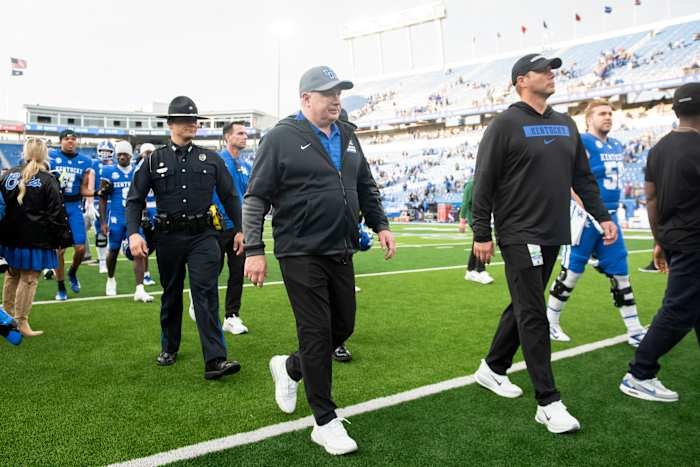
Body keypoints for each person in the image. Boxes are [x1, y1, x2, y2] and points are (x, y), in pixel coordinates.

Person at [243, 66, 396, 456]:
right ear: (305, 98)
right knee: (315, 332)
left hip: (340, 247)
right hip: (300, 250)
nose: (336, 99)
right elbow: (256, 197)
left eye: (339, 92)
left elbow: (365, 184)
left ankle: (290, 368)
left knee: (342, 326)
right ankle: (325, 422)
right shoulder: (280, 137)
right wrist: (255, 250)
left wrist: (380, 224)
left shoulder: (347, 134)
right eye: (328, 93)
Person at [470, 54, 616, 434]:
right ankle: (548, 402)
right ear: (522, 80)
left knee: (525, 303)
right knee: (534, 312)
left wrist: (602, 217)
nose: (551, 74)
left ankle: (493, 367)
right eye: (543, 70)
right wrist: (481, 232)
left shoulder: (565, 123)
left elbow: (582, 179)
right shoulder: (504, 125)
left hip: (554, 231)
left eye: (553, 70)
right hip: (519, 232)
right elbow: (484, 180)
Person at [126, 96, 244, 380]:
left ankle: (215, 360)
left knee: (205, 293)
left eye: (194, 120)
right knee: (171, 294)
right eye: (185, 119)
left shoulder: (211, 159)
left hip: (204, 236)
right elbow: (134, 199)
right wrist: (133, 233)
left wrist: (241, 229)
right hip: (168, 237)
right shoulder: (153, 160)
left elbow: (230, 196)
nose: (192, 124)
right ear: (171, 124)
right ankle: (169, 346)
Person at [619, 83, 700, 402]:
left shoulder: (658, 149)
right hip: (694, 240)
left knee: (694, 305)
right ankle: (640, 373)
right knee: (678, 309)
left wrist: (659, 240)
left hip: (675, 237)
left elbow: (650, 199)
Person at [546, 100, 646, 347]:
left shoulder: (616, 144)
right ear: (589, 119)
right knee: (571, 273)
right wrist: (575, 199)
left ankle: (634, 329)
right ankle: (550, 322)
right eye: (602, 113)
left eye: (610, 113)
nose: (608, 117)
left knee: (621, 274)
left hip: (611, 217)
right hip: (587, 219)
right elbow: (561, 173)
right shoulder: (581, 141)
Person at [0, 138, 69, 336]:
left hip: (9, 238)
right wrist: (61, 239)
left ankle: (7, 318)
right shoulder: (48, 179)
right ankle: (21, 322)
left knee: (12, 275)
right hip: (36, 239)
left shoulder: (8, 175)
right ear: (44, 154)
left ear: (25, 152)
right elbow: (56, 213)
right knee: (29, 278)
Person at [188, 121, 251, 335]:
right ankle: (197, 298)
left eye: (245, 133)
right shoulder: (215, 161)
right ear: (227, 137)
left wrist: (244, 226)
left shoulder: (246, 165)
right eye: (240, 133)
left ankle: (231, 316)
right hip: (216, 226)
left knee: (237, 272)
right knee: (212, 270)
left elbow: (246, 195)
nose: (244, 137)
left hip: (238, 227)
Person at [100, 141, 153, 303]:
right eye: (119, 154)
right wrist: (103, 222)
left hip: (134, 217)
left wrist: (144, 214)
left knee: (139, 251)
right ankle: (110, 279)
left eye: (125, 154)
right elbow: (103, 198)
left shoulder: (137, 171)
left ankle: (139, 288)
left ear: (130, 155)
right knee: (114, 250)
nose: (122, 157)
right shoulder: (109, 171)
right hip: (116, 216)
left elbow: (143, 196)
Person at [49, 129, 97, 300]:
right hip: (56, 208)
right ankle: (61, 287)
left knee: (81, 248)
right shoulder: (51, 157)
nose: (70, 141)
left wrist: (98, 192)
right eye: (67, 138)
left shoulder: (85, 161)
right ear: (60, 141)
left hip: (74, 206)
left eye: (73, 139)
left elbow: (83, 188)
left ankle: (72, 272)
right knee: (59, 251)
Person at [458, 176, 493, 284]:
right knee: (481, 240)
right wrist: (462, 221)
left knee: (476, 243)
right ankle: (480, 271)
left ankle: (470, 270)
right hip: (475, 219)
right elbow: (465, 203)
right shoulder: (471, 184)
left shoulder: (485, 184)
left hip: (482, 218)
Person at [92, 140, 115, 273]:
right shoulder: (93, 164)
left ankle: (111, 256)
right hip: (98, 201)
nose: (105, 154)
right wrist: (89, 202)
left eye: (108, 151)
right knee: (100, 232)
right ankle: (102, 261)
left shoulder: (115, 165)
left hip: (114, 201)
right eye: (103, 151)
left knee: (115, 231)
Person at [137, 143, 157, 287]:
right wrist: (142, 212)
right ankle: (146, 274)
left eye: (150, 152)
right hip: (145, 210)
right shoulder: (137, 170)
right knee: (145, 244)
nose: (148, 155)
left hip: (158, 209)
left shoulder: (159, 167)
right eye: (146, 153)